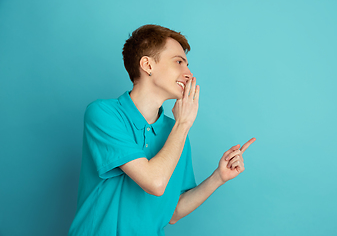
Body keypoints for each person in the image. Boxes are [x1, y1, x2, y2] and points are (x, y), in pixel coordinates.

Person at [68, 24, 256, 236]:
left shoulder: (175, 131)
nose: (189, 74)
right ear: (147, 65)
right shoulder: (103, 113)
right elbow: (155, 183)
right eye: (178, 62)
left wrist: (218, 178)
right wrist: (183, 124)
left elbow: (173, 211)